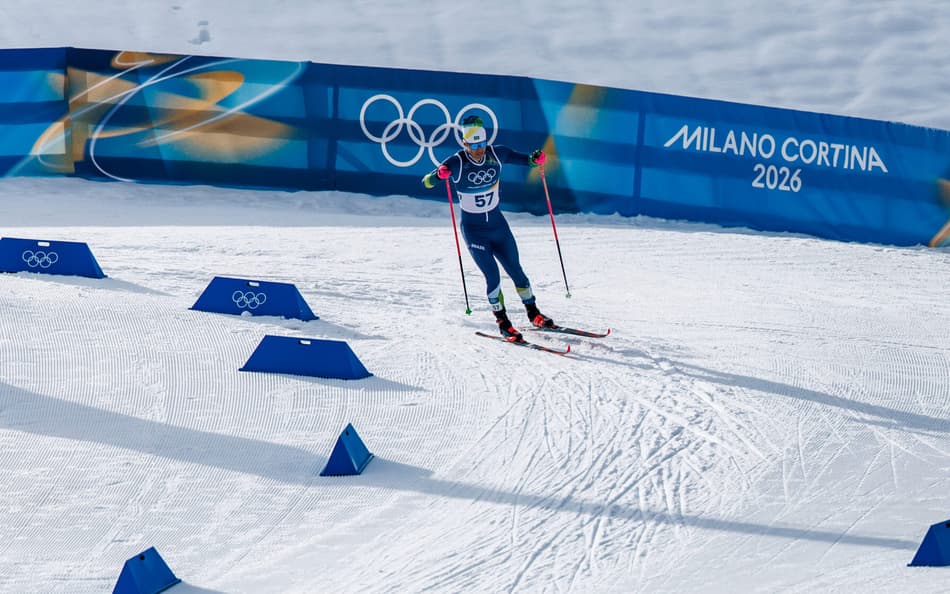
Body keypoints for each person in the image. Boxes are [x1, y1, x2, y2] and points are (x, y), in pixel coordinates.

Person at [422, 115, 555, 342]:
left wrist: (536, 158)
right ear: (465, 144)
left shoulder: (497, 154)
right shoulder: (457, 162)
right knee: (492, 276)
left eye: (481, 144)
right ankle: (503, 322)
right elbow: (426, 181)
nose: (478, 149)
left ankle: (533, 313)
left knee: (516, 270)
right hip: (474, 231)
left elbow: (528, 161)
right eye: (473, 145)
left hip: (498, 226)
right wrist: (437, 175)